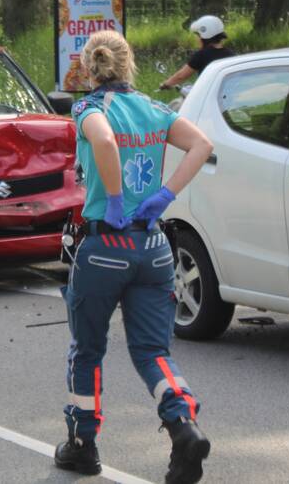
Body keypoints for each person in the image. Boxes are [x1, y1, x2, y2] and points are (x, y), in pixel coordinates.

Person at [55, 30, 215, 484]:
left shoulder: (89, 108)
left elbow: (103, 143)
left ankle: (82, 446)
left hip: (106, 245)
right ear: (130, 65)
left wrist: (116, 196)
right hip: (153, 247)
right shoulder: (155, 109)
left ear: (87, 69)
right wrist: (164, 195)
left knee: (86, 349)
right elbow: (202, 145)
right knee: (151, 351)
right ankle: (183, 424)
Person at [159, 15, 235, 91]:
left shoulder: (202, 55)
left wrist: (166, 84)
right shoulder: (230, 54)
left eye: (198, 35)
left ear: (205, 36)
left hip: (207, 96)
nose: (197, 39)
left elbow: (181, 76)